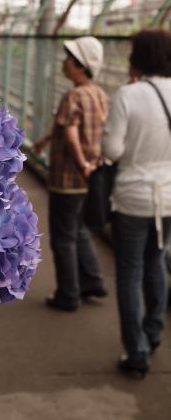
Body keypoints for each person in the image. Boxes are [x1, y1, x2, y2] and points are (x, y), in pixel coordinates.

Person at [102, 29, 171, 377]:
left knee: (129, 272)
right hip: (169, 197)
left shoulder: (129, 94)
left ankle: (137, 352)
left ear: (138, 56)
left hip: (132, 195)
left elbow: (112, 150)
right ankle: (154, 331)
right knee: (156, 259)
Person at [35, 36, 108, 311]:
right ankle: (93, 280)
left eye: (69, 58)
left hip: (68, 177)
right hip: (90, 179)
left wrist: (80, 162)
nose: (64, 62)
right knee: (80, 230)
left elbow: (70, 131)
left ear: (80, 65)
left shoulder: (73, 96)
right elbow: (68, 127)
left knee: (63, 237)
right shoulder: (98, 94)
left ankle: (68, 294)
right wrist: (44, 141)